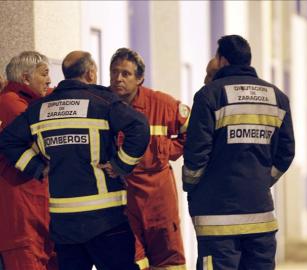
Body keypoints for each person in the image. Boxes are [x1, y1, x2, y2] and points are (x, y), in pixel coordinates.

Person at [0, 50, 150, 270]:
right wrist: (121, 164)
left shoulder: (40, 108)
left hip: (63, 224)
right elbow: (140, 126)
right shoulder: (102, 102)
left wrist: (37, 167)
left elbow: (8, 141)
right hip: (106, 220)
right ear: (90, 74)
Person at [182, 35, 295, 270]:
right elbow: (286, 152)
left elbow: (196, 154)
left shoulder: (210, 95)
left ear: (222, 60)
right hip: (260, 216)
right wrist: (263, 179)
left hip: (216, 219)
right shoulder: (277, 98)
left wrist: (193, 186)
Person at [109, 48, 189, 270]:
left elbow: (193, 132)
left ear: (140, 78)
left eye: (125, 74)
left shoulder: (162, 104)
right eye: (114, 72)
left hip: (159, 198)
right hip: (120, 197)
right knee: (131, 259)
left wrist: (165, 150)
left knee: (169, 259)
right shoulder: (101, 105)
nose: (118, 79)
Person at [0, 51, 57, 270]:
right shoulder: (14, 106)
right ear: (25, 78)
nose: (49, 80)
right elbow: (49, 146)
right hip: (21, 217)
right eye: (44, 74)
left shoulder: (22, 102)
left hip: (31, 211)